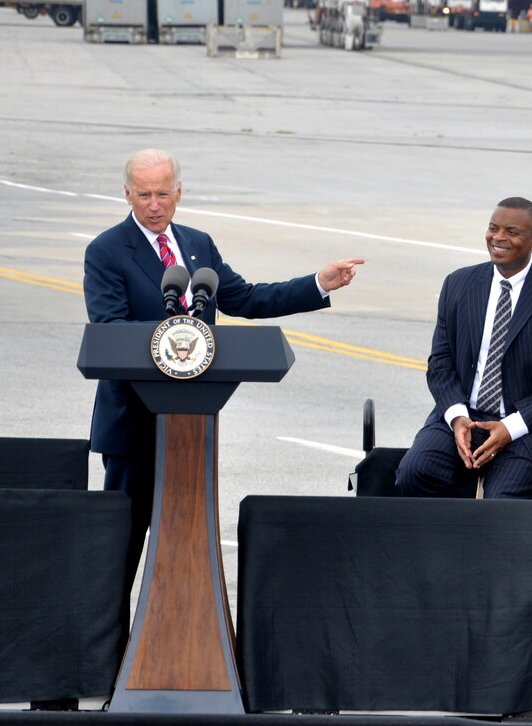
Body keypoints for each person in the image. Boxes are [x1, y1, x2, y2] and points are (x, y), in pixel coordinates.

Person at [83, 149, 364, 635]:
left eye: (164, 193)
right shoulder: (107, 251)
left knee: (185, 544)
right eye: (144, 194)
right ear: (127, 193)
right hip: (133, 426)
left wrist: (318, 283)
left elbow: (247, 298)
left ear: (179, 192)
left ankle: (181, 647)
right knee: (122, 550)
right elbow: (110, 329)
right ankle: (104, 659)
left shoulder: (197, 245)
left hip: (192, 424)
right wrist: (178, 335)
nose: (155, 204)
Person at [395, 197, 532, 500]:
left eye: (512, 231)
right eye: (492, 228)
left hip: (529, 425)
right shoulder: (458, 284)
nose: (498, 238)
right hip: (465, 416)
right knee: (414, 473)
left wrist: (510, 427)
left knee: (502, 504)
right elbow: (440, 363)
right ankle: (447, 547)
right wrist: (457, 417)